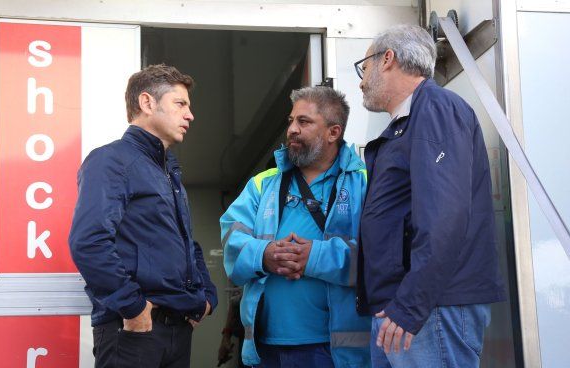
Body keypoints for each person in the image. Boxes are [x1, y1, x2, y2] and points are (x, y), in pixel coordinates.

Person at [354, 24, 505, 368]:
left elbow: (444, 219)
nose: (361, 81)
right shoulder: (407, 122)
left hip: (428, 309)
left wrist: (409, 305)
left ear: (387, 59)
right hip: (405, 309)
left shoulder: (436, 109)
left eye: (365, 68)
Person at [69, 64, 217, 368]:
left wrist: (207, 298)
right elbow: (89, 242)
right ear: (147, 103)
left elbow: (189, 244)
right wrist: (133, 309)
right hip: (135, 331)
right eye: (180, 104)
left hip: (176, 329)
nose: (190, 115)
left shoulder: (167, 171)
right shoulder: (111, 161)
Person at [221, 86, 371, 368]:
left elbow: (382, 257)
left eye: (304, 122)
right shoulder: (262, 183)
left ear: (333, 132)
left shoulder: (366, 183)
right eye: (291, 121)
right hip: (267, 350)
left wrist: (313, 257)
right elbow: (231, 238)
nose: (291, 129)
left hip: (337, 353)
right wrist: (264, 254)